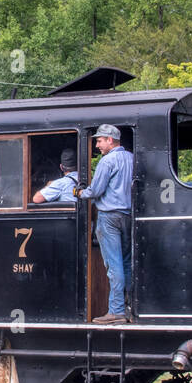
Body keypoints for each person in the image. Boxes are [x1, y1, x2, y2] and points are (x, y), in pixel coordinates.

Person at [79, 124, 134, 324]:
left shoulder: (107, 161)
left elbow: (95, 191)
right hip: (128, 215)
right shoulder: (131, 158)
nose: (97, 145)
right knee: (127, 263)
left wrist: (80, 193)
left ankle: (116, 310)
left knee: (114, 265)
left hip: (109, 216)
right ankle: (130, 309)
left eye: (99, 140)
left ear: (110, 140)